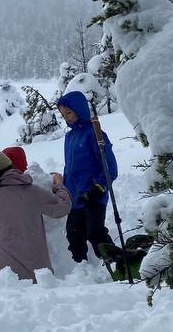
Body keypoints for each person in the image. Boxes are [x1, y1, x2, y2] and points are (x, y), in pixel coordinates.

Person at [0, 146, 71, 283]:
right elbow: (63, 207)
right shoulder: (30, 192)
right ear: (10, 165)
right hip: (35, 271)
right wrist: (58, 184)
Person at [56, 90, 118, 263]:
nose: (67, 117)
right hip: (75, 197)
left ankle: (118, 263)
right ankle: (80, 270)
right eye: (63, 114)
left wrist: (98, 188)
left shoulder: (95, 133)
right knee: (74, 236)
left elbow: (110, 167)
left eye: (69, 112)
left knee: (95, 233)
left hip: (93, 195)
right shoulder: (69, 137)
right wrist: (64, 187)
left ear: (80, 110)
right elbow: (71, 168)